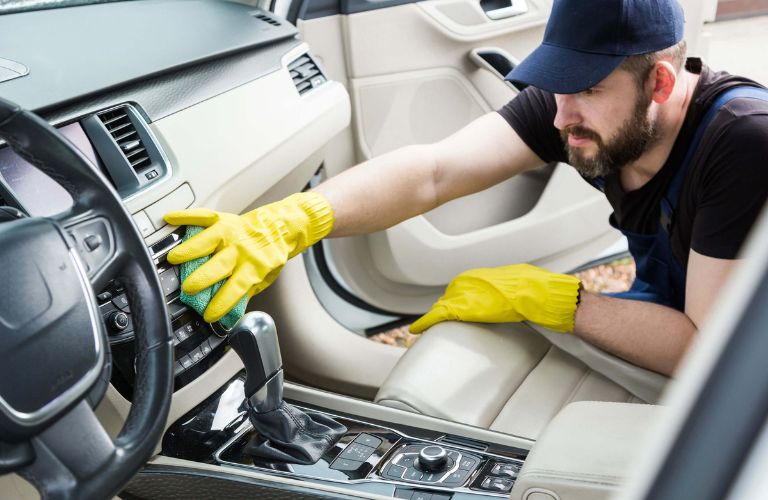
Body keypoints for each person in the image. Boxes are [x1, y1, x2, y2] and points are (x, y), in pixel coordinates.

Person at [164, 0, 768, 377]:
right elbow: (435, 172)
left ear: (659, 84)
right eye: (558, 87)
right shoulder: (584, 111)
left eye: (585, 90)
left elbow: (708, 356)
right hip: (691, 312)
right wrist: (294, 220)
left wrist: (559, 300)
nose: (561, 119)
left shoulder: (742, 142)